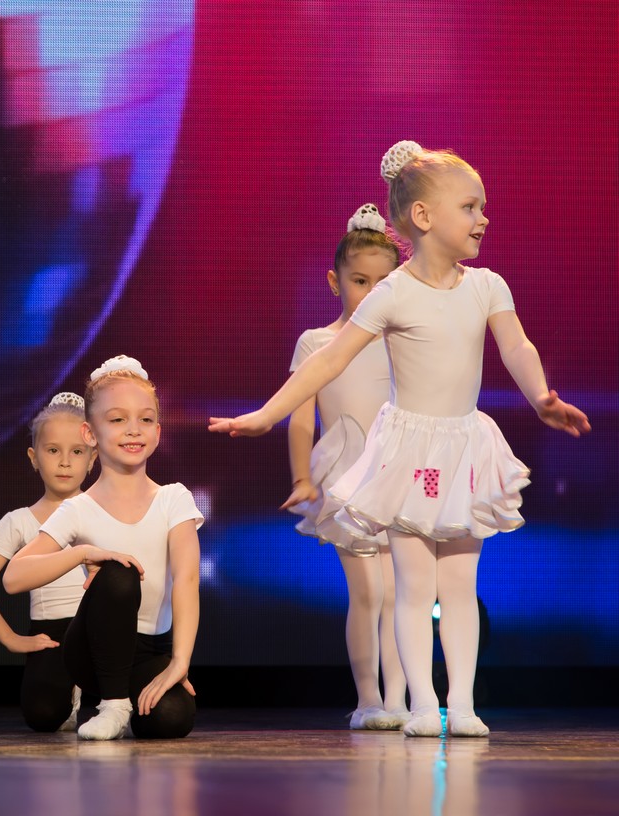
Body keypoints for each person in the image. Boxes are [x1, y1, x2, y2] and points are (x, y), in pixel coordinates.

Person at [210, 142, 589, 738]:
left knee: (459, 587)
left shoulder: (486, 286)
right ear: (423, 216)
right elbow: (328, 361)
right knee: (412, 589)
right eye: (470, 206)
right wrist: (267, 414)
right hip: (408, 452)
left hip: (464, 446)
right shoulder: (394, 292)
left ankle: (461, 704)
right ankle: (421, 705)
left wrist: (541, 396)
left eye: (482, 207)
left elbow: (516, 345)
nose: (483, 218)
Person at [4, 355, 202, 741]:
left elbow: (187, 580)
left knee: (172, 719)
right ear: (90, 433)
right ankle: (111, 703)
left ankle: (123, 705)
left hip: (148, 650)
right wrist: (82, 553)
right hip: (92, 653)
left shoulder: (174, 499)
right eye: (117, 419)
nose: (134, 430)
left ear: (158, 431)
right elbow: (13, 577)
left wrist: (179, 662)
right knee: (118, 573)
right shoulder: (77, 509)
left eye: (145, 419)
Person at [283, 204, 408, 730]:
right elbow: (299, 418)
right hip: (343, 480)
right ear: (336, 282)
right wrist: (302, 477)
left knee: (400, 594)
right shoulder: (317, 342)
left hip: (395, 477)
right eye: (360, 281)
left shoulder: (402, 342)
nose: (371, 292)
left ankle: (399, 699)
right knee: (369, 592)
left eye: (383, 283)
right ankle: (368, 698)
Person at [0, 392, 95, 732]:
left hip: (101, 627)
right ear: (34, 458)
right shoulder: (20, 520)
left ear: (92, 458)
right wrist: (11, 638)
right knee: (42, 714)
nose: (65, 462)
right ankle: (68, 693)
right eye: (53, 451)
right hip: (52, 632)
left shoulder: (103, 511)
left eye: (77, 452)